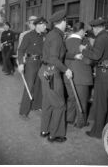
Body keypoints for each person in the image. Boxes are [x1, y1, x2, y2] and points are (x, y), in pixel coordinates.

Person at [79, 17, 108, 139]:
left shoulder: (100, 38)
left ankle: (97, 132)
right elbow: (104, 52)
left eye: (93, 28)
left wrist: (83, 51)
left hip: (104, 73)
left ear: (97, 28)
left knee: (100, 103)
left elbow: (96, 56)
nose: (93, 30)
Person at [38, 10, 72, 143]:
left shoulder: (52, 34)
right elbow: (54, 58)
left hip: (45, 71)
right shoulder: (57, 36)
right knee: (59, 104)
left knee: (48, 102)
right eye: (66, 21)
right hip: (51, 73)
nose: (66, 23)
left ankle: (45, 130)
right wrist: (66, 70)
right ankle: (55, 134)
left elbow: (55, 54)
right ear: (63, 21)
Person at [64, 22, 93, 128]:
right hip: (81, 77)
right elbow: (89, 61)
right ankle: (81, 122)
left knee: (71, 98)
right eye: (84, 31)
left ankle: (69, 118)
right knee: (82, 100)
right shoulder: (84, 42)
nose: (84, 32)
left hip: (68, 76)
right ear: (81, 31)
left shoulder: (65, 41)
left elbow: (62, 55)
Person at [17, 17, 48, 119]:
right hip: (31, 63)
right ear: (37, 25)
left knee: (39, 84)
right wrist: (21, 63)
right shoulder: (28, 36)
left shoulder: (44, 36)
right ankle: (23, 112)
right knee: (29, 86)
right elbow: (21, 50)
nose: (45, 27)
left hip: (41, 62)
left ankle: (36, 105)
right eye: (43, 25)